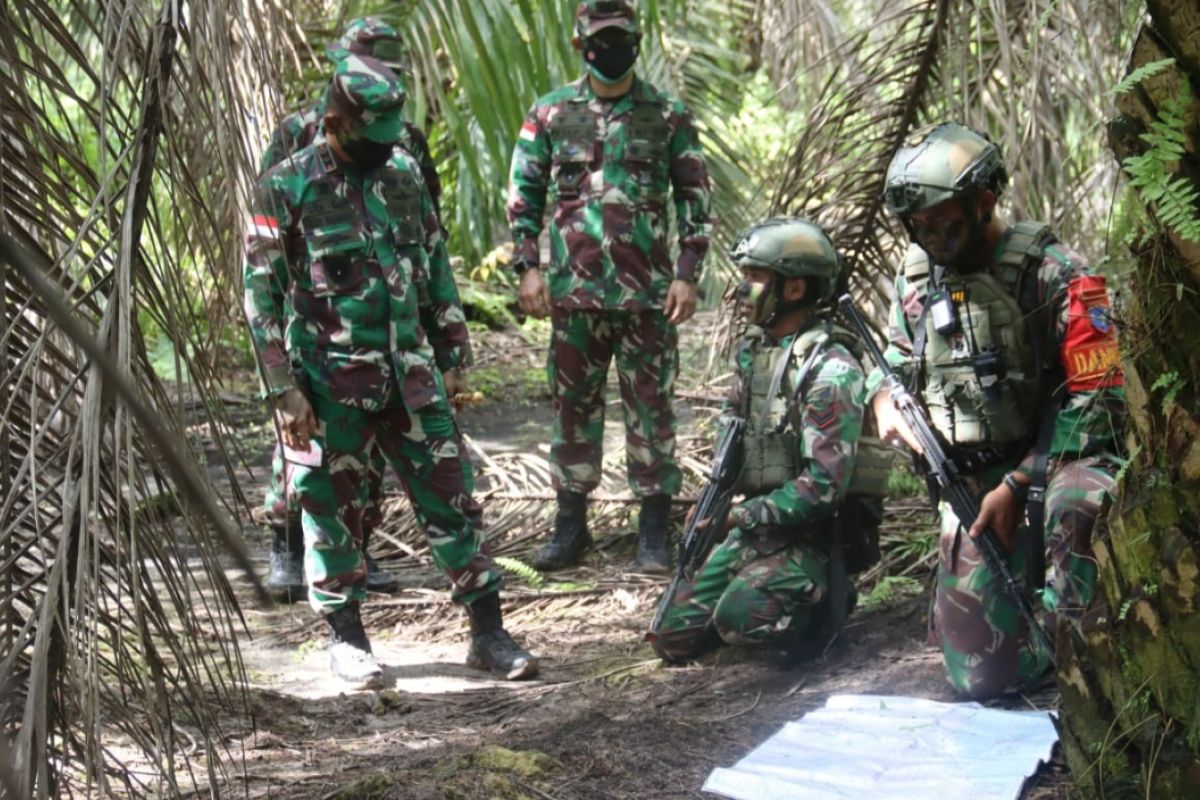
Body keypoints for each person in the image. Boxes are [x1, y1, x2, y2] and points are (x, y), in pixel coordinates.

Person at [243, 56, 537, 687]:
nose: (384, 148)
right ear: (334, 122)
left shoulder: (402, 172)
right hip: (329, 388)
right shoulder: (285, 188)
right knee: (332, 514)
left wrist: (455, 354)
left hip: (412, 378)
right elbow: (258, 297)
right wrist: (282, 391)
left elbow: (434, 268)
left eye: (389, 135)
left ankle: (488, 633)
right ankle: (347, 640)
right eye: (370, 136)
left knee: (454, 504)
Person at [872, 122, 1125, 698]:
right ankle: (1042, 634)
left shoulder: (1058, 274)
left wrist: (1020, 482)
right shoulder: (916, 279)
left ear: (984, 201)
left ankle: (1097, 656)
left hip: (1056, 464)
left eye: (942, 221)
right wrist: (883, 396)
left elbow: (1101, 397)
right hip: (973, 480)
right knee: (981, 675)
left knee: (1083, 496)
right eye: (917, 225)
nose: (928, 236)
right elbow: (894, 358)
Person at [506, 0, 713, 573]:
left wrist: (687, 275)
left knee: (652, 409)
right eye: (601, 38)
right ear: (581, 44)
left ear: (636, 40)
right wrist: (528, 267)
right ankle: (570, 527)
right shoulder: (550, 113)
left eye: (621, 36)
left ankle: (653, 532)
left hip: (649, 297)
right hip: (575, 296)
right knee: (572, 408)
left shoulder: (668, 114)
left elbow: (696, 198)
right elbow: (523, 196)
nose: (612, 46)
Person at [261, 17, 443, 599]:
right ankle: (288, 543)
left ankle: (360, 546)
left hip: (385, 307)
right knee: (305, 436)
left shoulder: (403, 138)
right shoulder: (299, 130)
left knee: (379, 433)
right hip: (316, 308)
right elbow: (271, 222)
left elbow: (422, 217)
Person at [651, 218, 883, 661]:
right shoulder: (755, 353)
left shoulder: (829, 371)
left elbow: (822, 490)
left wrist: (737, 520)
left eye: (754, 278)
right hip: (761, 530)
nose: (741, 289)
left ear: (794, 289)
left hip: (815, 537)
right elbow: (733, 445)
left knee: (741, 618)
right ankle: (764, 589)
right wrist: (711, 509)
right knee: (670, 639)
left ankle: (820, 604)